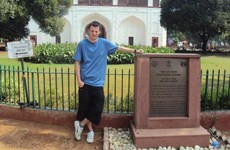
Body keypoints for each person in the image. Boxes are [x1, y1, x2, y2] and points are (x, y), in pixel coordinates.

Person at [73, 21, 143, 144]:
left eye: (96, 31)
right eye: (92, 31)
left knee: (97, 107)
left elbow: (119, 48)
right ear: (88, 31)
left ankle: (80, 124)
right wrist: (79, 80)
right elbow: (77, 62)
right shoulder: (82, 45)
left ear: (99, 32)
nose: (94, 33)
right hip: (85, 82)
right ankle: (90, 132)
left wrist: (134, 50)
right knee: (85, 108)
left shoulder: (104, 43)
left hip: (98, 83)